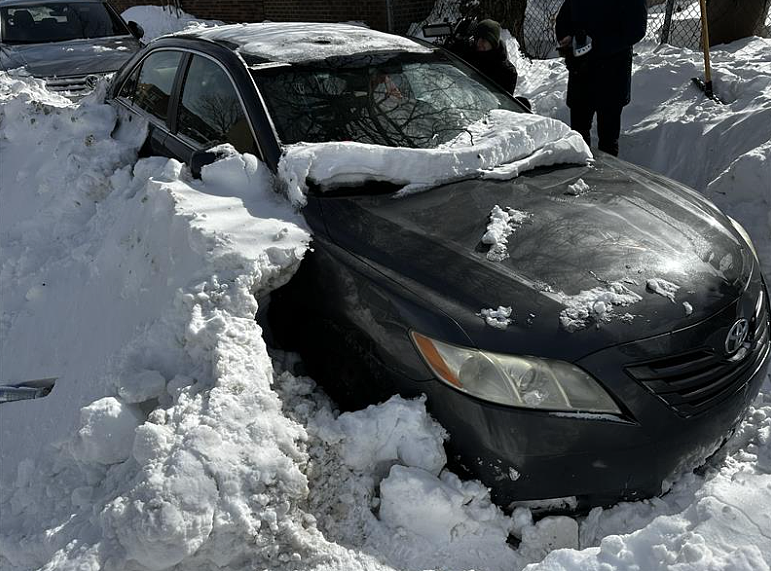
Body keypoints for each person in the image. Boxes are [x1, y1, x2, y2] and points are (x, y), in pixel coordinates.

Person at [555, 0, 647, 156]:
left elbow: (636, 30)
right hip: (580, 70)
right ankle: (579, 175)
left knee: (608, 138)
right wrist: (568, 38)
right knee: (578, 134)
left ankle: (607, 178)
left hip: (612, 73)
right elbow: (564, 18)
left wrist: (596, 46)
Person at [448, 19, 518, 95]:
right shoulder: (468, 52)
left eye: (484, 40)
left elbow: (504, 102)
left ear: (493, 42)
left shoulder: (506, 72)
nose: (478, 43)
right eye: (477, 39)